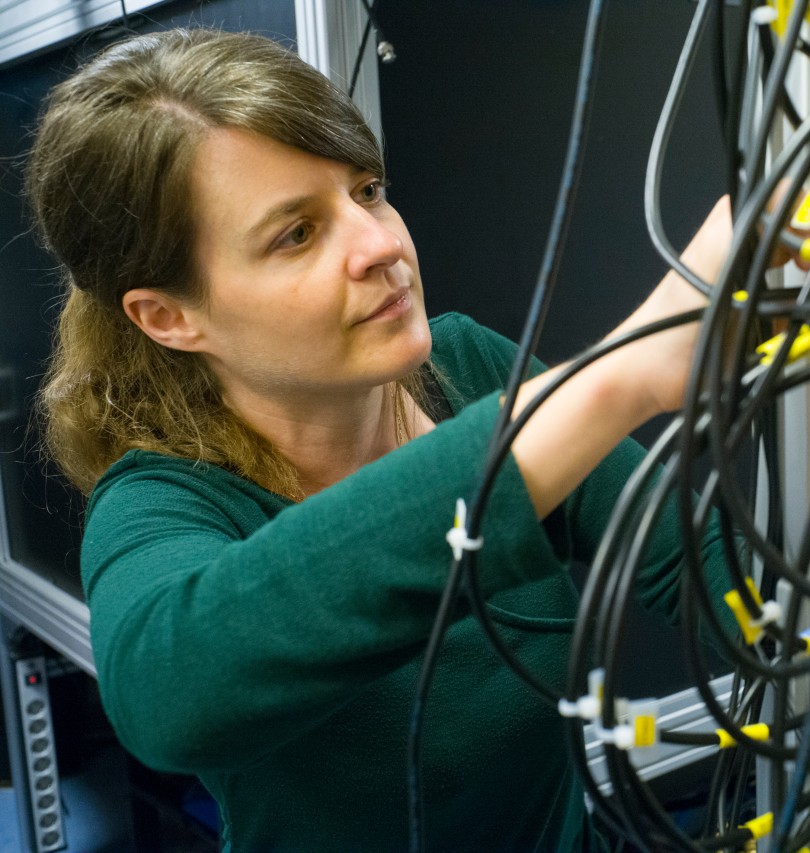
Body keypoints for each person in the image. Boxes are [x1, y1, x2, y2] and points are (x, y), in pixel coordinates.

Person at [27, 28, 740, 852]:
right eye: (296, 233)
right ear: (169, 316)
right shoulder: (161, 502)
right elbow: (167, 696)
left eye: (366, 192)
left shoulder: (469, 367)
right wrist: (622, 375)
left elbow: (706, 560)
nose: (382, 247)